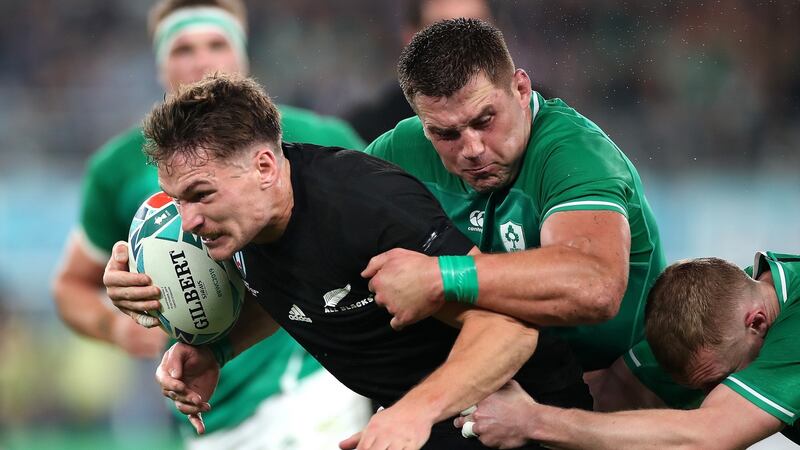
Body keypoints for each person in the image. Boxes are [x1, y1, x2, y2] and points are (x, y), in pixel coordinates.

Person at [103, 73, 593, 449]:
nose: (187, 221)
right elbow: (298, 290)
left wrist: (413, 411)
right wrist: (218, 350)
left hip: (521, 421)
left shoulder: (363, 211)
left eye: (199, 195)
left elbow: (509, 329)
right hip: (429, 424)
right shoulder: (240, 223)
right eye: (177, 199)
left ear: (265, 168)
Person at [50, 1, 369, 448]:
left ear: (242, 57)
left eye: (217, 44)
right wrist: (120, 325)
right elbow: (70, 285)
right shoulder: (117, 168)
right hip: (204, 411)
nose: (203, 61)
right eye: (183, 49)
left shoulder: (319, 138)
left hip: (312, 390)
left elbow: (385, 233)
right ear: (160, 66)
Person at [362, 18, 665, 402]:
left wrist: (439, 276)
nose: (471, 148)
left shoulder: (575, 154)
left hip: (618, 388)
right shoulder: (400, 150)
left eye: (484, 120)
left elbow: (595, 286)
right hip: (501, 388)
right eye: (446, 134)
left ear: (521, 88)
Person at [454, 251, 800, 448]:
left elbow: (706, 436)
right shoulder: (707, 324)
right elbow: (606, 399)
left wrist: (532, 420)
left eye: (720, 380)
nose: (713, 397)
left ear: (757, 323)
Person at [345, 0, 493, 142]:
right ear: (412, 41)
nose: (464, 47)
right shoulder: (367, 134)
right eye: (444, 34)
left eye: (478, 31)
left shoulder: (514, 122)